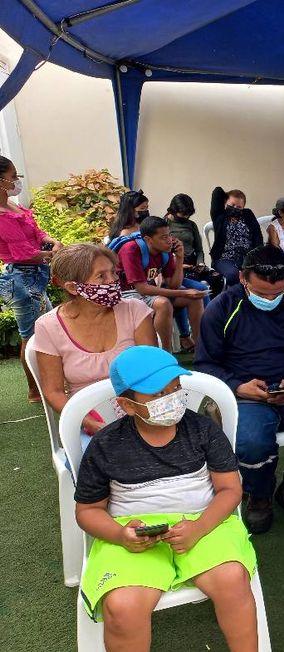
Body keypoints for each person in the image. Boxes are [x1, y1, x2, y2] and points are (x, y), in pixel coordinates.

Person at [74, 346, 268, 652]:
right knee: (122, 606)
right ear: (127, 405)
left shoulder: (202, 430)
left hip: (205, 522)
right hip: (132, 533)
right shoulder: (106, 445)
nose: (172, 398)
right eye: (158, 394)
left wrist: (199, 528)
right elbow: (87, 512)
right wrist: (120, 534)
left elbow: (230, 490)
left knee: (232, 578)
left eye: (175, 387)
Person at [195, 244, 284, 535]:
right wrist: (238, 386)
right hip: (245, 394)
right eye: (262, 293)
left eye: (278, 292)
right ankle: (259, 493)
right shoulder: (221, 309)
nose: (270, 299)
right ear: (243, 278)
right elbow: (205, 364)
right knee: (251, 442)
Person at [34, 243, 156, 446]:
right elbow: (53, 391)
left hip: (142, 408)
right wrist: (90, 424)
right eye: (101, 276)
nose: (113, 281)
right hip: (89, 418)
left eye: (113, 272)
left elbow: (152, 370)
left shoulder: (135, 310)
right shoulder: (48, 326)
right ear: (73, 287)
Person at [0, 154, 61, 402]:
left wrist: (52, 241)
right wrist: (52, 254)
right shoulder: (2, 216)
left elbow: (36, 232)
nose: (17, 181)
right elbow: (23, 254)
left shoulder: (13, 206)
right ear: (1, 181)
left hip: (35, 276)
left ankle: (49, 383)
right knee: (31, 337)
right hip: (21, 280)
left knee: (48, 329)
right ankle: (35, 390)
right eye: (14, 176)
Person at [116, 216, 206, 353]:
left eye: (169, 235)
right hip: (126, 294)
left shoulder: (165, 251)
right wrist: (184, 292)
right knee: (163, 304)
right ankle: (165, 354)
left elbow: (174, 285)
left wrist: (180, 258)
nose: (169, 240)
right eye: (164, 237)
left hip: (149, 291)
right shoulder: (131, 249)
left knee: (195, 298)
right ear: (148, 239)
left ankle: (201, 351)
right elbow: (142, 288)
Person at [166, 193, 224, 299]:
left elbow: (199, 250)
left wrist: (200, 263)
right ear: (173, 210)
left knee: (217, 278)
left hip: (192, 264)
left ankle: (212, 306)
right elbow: (162, 254)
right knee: (196, 284)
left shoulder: (192, 225)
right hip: (176, 265)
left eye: (188, 215)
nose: (186, 217)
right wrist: (180, 265)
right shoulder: (164, 225)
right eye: (183, 214)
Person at [210, 187, 263, 287]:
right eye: (232, 205)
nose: (235, 208)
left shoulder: (248, 214)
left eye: (239, 207)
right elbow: (217, 191)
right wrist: (227, 195)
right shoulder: (219, 215)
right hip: (225, 258)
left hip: (248, 257)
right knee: (234, 275)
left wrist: (257, 258)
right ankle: (235, 296)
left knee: (261, 273)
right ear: (225, 202)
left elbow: (258, 237)